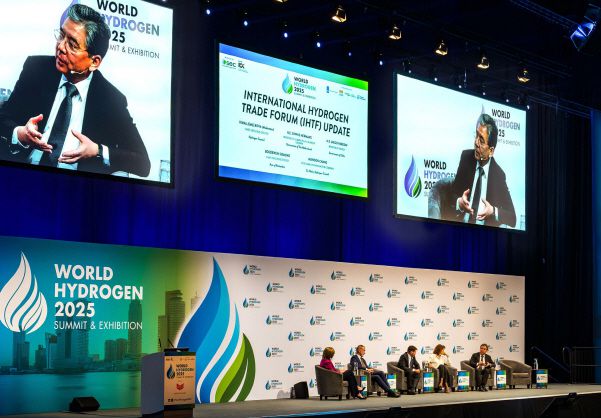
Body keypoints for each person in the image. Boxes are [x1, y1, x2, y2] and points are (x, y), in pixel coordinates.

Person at [0, 4, 150, 177]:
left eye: (72, 44)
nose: (61, 47)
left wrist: (98, 150)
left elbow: (142, 163)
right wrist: (20, 134)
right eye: (61, 36)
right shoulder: (36, 69)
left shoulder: (111, 99)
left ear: (94, 62)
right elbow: (3, 118)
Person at [451, 113, 516, 227]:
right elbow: (452, 194)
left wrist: (493, 211)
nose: (476, 142)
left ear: (491, 151)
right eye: (476, 135)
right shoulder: (466, 158)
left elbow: (512, 218)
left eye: (481, 140)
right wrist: (459, 202)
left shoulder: (498, 175)